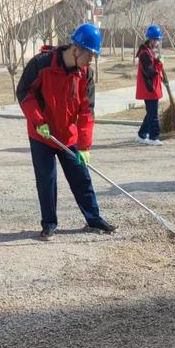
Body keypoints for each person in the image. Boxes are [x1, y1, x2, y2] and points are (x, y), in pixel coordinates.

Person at [16, 23, 117, 240]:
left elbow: (86, 111)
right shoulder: (41, 64)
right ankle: (49, 223)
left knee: (81, 177)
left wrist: (84, 146)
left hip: (68, 135)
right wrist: (38, 120)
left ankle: (93, 218)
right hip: (41, 134)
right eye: (89, 56)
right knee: (46, 179)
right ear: (76, 49)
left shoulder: (85, 74)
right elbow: (24, 92)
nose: (90, 62)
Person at [135, 25, 165, 146]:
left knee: (151, 112)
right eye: (157, 40)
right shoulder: (145, 53)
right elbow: (150, 72)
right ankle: (154, 137)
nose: (158, 43)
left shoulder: (148, 52)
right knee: (153, 114)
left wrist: (157, 61)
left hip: (151, 88)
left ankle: (142, 135)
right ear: (152, 40)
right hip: (149, 88)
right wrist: (159, 64)